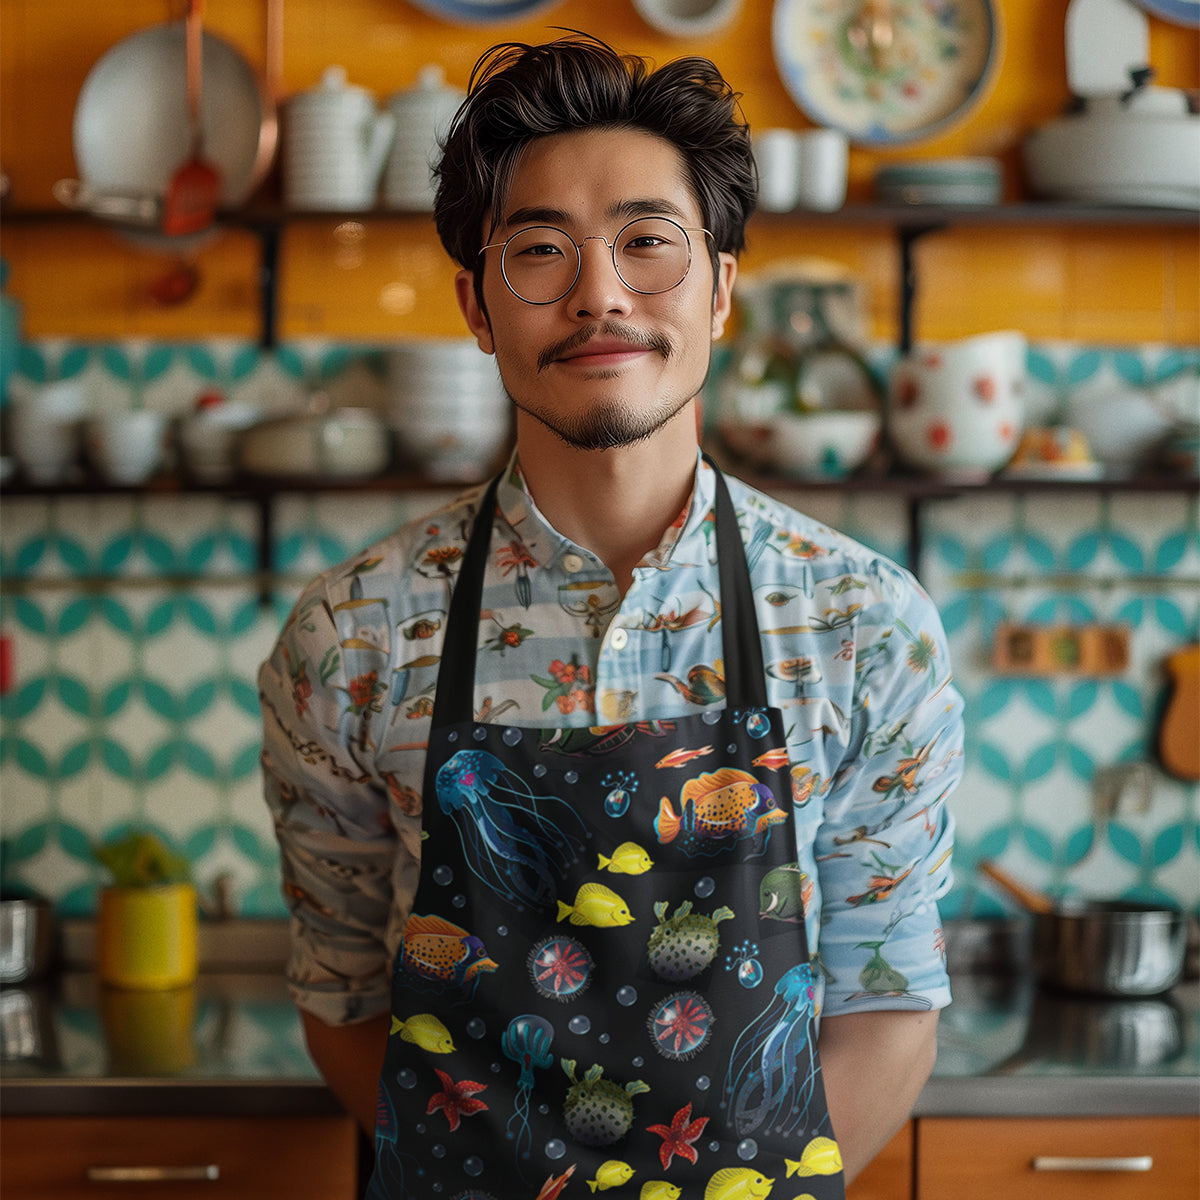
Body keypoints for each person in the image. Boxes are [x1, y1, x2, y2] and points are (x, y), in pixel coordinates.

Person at [260, 33, 962, 1199]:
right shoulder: (351, 637)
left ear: (723, 288)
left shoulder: (864, 625)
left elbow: (889, 1000)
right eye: (539, 249)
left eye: (649, 242)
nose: (599, 293)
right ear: (477, 306)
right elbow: (342, 995)